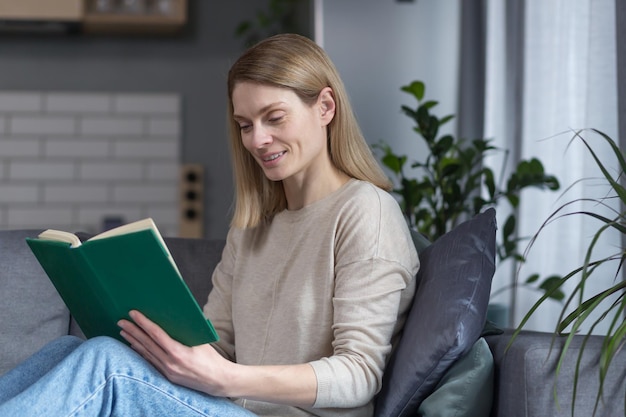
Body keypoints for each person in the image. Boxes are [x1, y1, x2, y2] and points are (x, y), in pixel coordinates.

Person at [0, 33, 419, 417]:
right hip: (227, 407)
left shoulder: (366, 211)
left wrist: (228, 378)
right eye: (245, 125)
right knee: (72, 348)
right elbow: (215, 342)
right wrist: (154, 340)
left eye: (274, 118)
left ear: (325, 107)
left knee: (106, 366)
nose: (257, 140)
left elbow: (360, 374)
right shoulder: (253, 228)